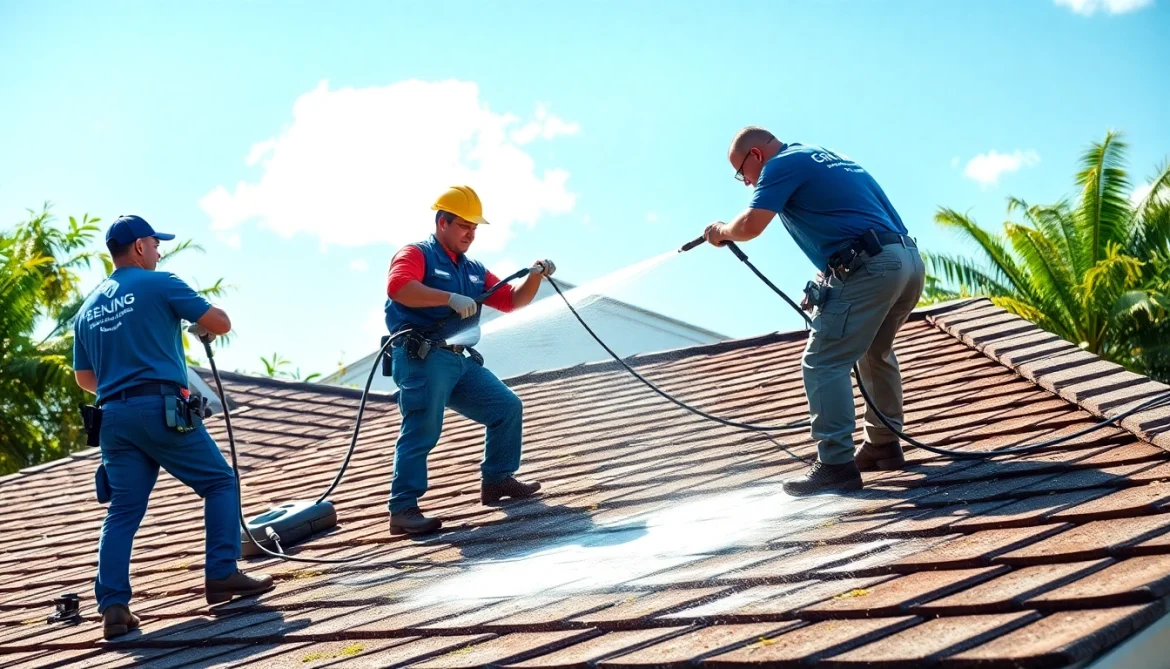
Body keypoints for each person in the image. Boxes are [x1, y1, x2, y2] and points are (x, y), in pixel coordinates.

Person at [73, 215, 273, 640]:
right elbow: (220, 322)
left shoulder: (87, 309)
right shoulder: (159, 282)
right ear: (140, 247)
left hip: (112, 417)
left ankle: (112, 605)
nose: (159, 251)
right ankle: (221, 574)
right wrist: (199, 323)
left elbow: (85, 379)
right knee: (220, 482)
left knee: (123, 509)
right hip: (158, 407)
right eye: (155, 244)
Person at [701, 127, 926, 496]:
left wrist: (722, 231)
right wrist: (827, 277)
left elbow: (752, 224)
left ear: (756, 155)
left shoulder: (779, 166)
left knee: (822, 361)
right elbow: (855, 220)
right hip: (907, 262)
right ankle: (884, 444)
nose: (747, 183)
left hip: (872, 268)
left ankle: (835, 465)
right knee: (874, 351)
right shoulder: (825, 156)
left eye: (743, 174)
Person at [382, 185, 556, 535]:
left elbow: (511, 301)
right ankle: (402, 510)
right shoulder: (417, 253)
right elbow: (398, 287)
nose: (471, 234)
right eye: (464, 226)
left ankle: (497, 481)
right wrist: (448, 297)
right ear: (442, 222)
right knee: (423, 428)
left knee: (506, 407)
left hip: (459, 360)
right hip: (422, 358)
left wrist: (536, 275)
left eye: (475, 228)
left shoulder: (474, 269)